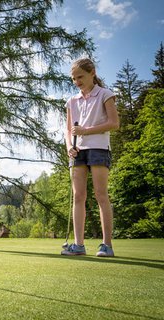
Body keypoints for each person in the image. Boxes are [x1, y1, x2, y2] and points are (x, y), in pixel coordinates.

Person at [61, 58, 119, 257]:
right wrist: (69, 147)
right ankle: (78, 245)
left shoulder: (105, 94)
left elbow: (114, 123)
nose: (77, 81)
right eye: (74, 78)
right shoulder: (71, 101)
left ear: (92, 73)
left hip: (99, 148)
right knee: (78, 196)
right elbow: (68, 130)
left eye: (80, 77)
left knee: (101, 195)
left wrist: (85, 131)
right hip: (78, 151)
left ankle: (107, 245)